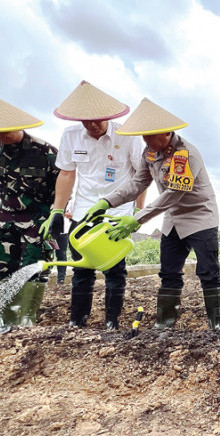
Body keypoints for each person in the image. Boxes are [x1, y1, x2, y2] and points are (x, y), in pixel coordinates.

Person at [84, 98, 220, 330]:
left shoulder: (185, 154)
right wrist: (107, 201)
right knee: (168, 272)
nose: (146, 141)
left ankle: (215, 325)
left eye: (150, 136)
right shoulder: (150, 153)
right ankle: (165, 323)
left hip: (201, 217)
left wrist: (136, 219)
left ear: (167, 133)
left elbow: (173, 194)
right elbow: (138, 182)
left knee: (208, 272)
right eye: (143, 136)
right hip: (173, 221)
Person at [40, 81, 145, 330]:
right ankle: (77, 320)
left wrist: (138, 213)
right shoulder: (71, 136)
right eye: (86, 121)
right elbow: (67, 174)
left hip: (116, 213)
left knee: (114, 269)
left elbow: (142, 177)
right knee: (82, 267)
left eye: (97, 120)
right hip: (84, 211)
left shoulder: (126, 136)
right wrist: (57, 209)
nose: (92, 126)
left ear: (108, 116)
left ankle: (112, 321)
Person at [0, 98, 59, 331]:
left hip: (37, 223)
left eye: (6, 131)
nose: (2, 135)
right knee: (3, 268)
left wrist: (55, 215)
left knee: (34, 269)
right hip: (3, 222)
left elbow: (62, 186)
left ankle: (26, 321)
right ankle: (6, 320)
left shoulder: (45, 152)